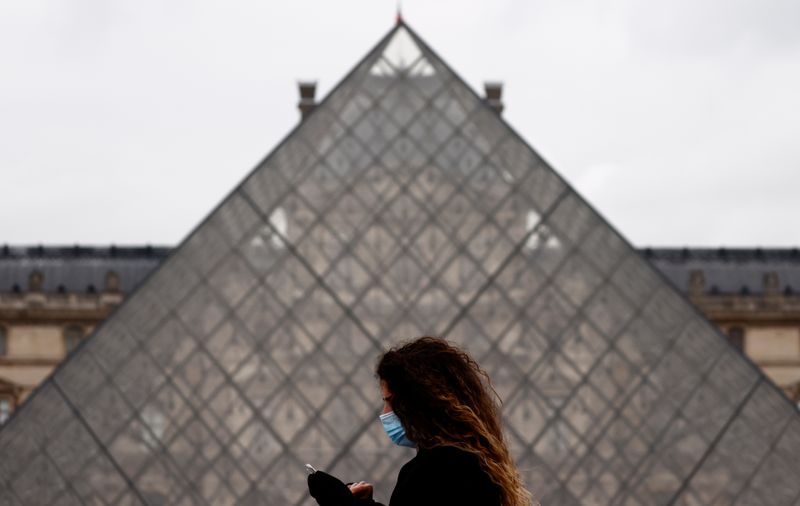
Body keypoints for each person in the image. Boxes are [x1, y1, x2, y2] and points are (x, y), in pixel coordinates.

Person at [308, 336, 534, 506]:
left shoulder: (432, 470)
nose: (385, 411)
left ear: (418, 403)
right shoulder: (473, 461)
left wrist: (342, 504)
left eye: (390, 401)